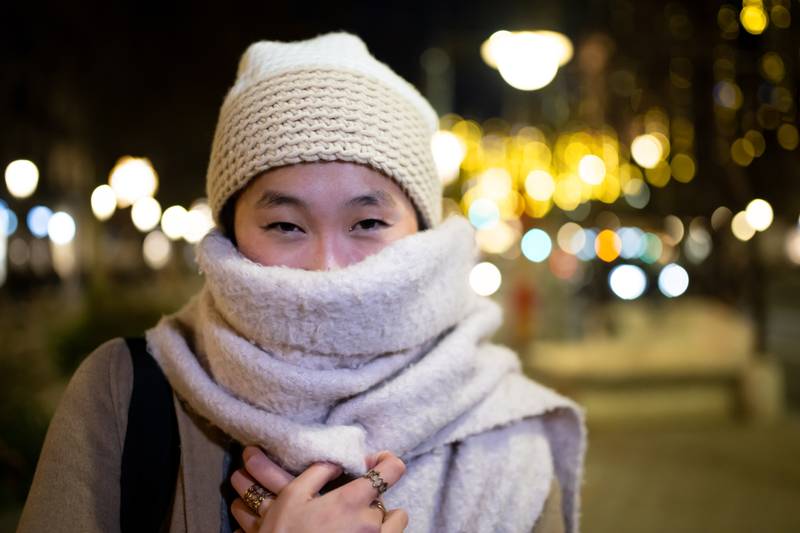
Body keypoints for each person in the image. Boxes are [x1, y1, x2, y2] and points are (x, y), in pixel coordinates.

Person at [17, 32, 585, 533]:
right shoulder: (124, 395)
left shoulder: (506, 432)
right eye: (285, 225)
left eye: (367, 223)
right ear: (231, 233)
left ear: (422, 233)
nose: (327, 268)